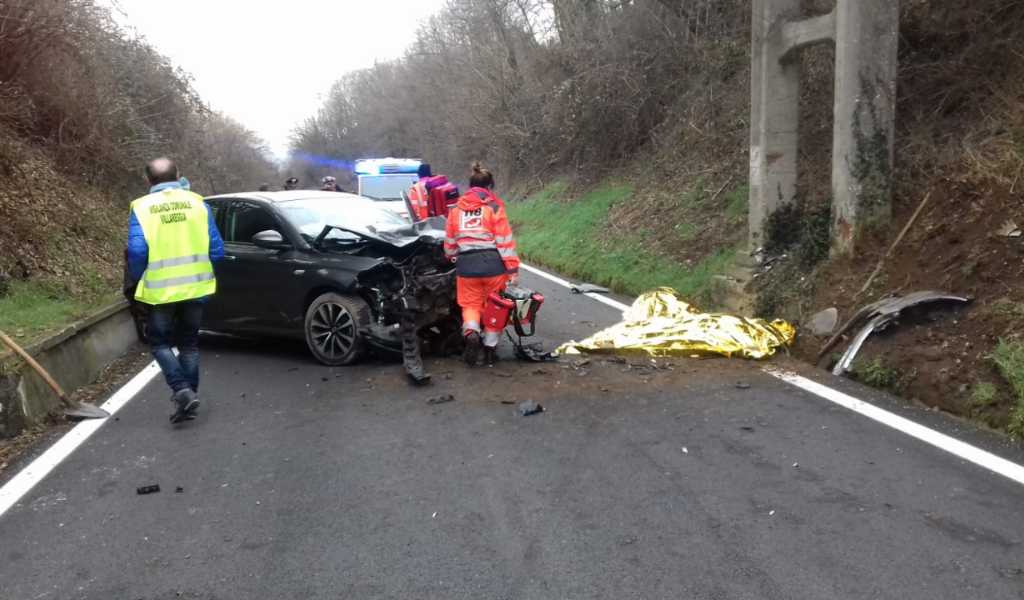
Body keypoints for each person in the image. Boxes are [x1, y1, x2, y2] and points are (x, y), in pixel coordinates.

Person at [127, 157, 225, 424]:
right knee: (189, 344)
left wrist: (140, 278)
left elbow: (136, 251)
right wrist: (201, 268)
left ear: (148, 180)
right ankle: (189, 395)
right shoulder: (198, 203)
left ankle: (182, 390)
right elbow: (217, 250)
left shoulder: (142, 207)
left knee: (159, 343)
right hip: (196, 285)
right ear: (177, 174)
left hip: (160, 290)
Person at [444, 163, 520, 367]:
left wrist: (452, 257)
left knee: (470, 305)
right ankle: (489, 351)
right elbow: (504, 240)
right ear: (490, 186)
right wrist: (512, 269)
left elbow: (450, 245)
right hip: (493, 266)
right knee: (495, 307)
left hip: (467, 266)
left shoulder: (455, 210)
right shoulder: (494, 208)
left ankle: (471, 332)